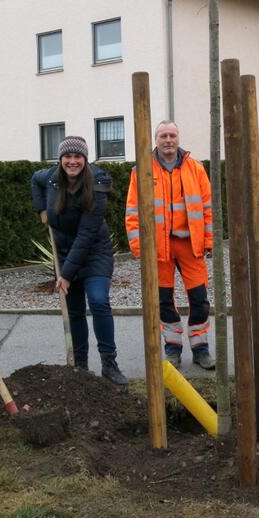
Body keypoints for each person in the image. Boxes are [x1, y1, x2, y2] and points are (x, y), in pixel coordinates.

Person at [31, 136, 127, 385]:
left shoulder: (98, 183)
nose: (72, 161)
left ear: (85, 159)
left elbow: (86, 236)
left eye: (78, 157)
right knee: (74, 310)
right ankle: (80, 367)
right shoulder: (50, 177)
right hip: (63, 252)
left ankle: (109, 363)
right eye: (67, 157)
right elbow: (34, 180)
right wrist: (41, 208)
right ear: (61, 159)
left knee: (98, 300)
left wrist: (65, 275)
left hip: (94, 251)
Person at [125, 120, 215, 370]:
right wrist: (138, 248)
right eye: (163, 135)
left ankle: (201, 349)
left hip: (190, 245)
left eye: (172, 135)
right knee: (163, 300)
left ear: (178, 138)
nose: (168, 140)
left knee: (200, 299)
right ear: (156, 139)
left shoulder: (195, 168)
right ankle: (172, 349)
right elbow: (132, 211)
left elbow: (208, 208)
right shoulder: (141, 170)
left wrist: (209, 241)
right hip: (159, 248)